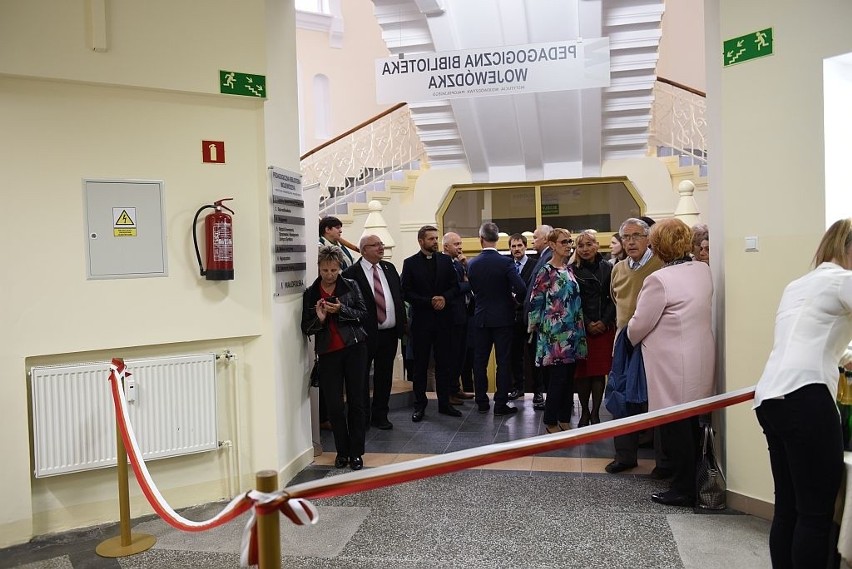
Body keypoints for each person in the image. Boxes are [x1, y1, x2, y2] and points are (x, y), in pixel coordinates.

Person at [753, 218, 852, 569]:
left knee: (789, 509)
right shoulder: (842, 280)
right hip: (807, 397)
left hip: (771, 398)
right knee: (815, 514)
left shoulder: (799, 284)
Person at [626, 218, 714, 506]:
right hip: (699, 359)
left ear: (658, 246)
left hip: (671, 366)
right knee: (691, 427)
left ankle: (683, 488)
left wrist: (628, 332)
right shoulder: (702, 270)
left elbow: (639, 325)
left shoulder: (659, 280)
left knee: (674, 428)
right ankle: (690, 482)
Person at [605, 217, 668, 475]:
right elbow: (616, 301)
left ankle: (664, 463)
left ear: (648, 238)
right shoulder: (618, 269)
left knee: (658, 399)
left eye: (636, 236)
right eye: (626, 237)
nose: (630, 242)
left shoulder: (661, 266)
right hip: (623, 342)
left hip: (653, 341)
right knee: (621, 399)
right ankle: (625, 456)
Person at [301, 245, 368, 471]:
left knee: (357, 402)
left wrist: (341, 310)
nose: (329, 275)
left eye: (333, 270)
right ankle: (342, 451)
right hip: (328, 354)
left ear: (340, 268)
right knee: (334, 406)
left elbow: (363, 314)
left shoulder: (350, 285)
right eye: (325, 270)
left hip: (354, 349)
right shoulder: (311, 293)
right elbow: (306, 328)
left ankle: (356, 452)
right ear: (319, 268)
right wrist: (319, 319)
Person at [343, 235, 406, 431]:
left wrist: (402, 327)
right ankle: (362, 417)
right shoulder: (350, 273)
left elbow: (398, 298)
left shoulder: (389, 268)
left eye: (381, 244)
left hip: (388, 333)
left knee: (384, 375)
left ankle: (381, 415)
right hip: (363, 335)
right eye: (375, 245)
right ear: (363, 250)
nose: (381, 247)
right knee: (361, 377)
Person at [528, 228, 587, 433]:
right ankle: (550, 420)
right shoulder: (546, 271)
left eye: (570, 241)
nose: (569, 245)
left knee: (569, 378)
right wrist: (534, 326)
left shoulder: (569, 270)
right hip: (553, 334)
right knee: (557, 379)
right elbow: (535, 300)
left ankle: (564, 417)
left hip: (572, 332)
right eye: (564, 242)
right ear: (552, 245)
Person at [401, 225, 462, 422]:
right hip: (421, 322)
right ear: (421, 241)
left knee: (444, 363)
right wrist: (429, 302)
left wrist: (444, 298)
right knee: (420, 366)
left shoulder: (445, 261)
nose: (435, 242)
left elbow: (455, 286)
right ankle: (420, 406)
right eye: (431, 239)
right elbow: (406, 292)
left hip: (444, 321)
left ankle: (445, 404)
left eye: (436, 238)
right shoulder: (410, 263)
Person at [467, 222, 528, 415]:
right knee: (503, 362)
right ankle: (500, 404)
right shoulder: (506, 263)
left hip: (481, 317)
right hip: (503, 319)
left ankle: (482, 401)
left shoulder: (473, 263)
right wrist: (513, 301)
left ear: (481, 239)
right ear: (497, 239)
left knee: (479, 362)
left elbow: (473, 289)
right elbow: (522, 289)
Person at [571, 230, 616, 426]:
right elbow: (573, 301)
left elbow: (614, 298)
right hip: (582, 327)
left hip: (604, 327)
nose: (585, 249)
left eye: (589, 244)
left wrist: (604, 322)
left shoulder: (609, 267)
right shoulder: (571, 269)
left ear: (597, 245)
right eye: (581, 246)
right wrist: (588, 322)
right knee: (582, 373)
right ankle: (584, 412)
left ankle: (596, 412)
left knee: (598, 372)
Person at [442, 232, 475, 403]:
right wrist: (468, 283)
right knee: (452, 356)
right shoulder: (444, 264)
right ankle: (449, 392)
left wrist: (465, 266)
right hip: (451, 317)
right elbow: (456, 287)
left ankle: (456, 388)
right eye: (456, 244)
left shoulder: (459, 264)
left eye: (460, 243)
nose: (460, 247)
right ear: (446, 246)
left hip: (464, 315)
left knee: (461, 355)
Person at [524, 225, 554, 410]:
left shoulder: (549, 257)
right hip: (538, 320)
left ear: (545, 239)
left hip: (543, 322)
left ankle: (545, 397)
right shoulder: (542, 257)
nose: (533, 240)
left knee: (544, 364)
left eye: (535, 237)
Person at [508, 233, 536, 400]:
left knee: (533, 355)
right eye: (513, 246)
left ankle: (538, 391)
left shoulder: (534, 265)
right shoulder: (507, 265)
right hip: (512, 317)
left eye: (519, 246)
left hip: (530, 316)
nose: (516, 249)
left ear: (525, 246)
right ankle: (518, 387)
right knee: (515, 355)